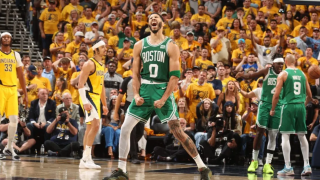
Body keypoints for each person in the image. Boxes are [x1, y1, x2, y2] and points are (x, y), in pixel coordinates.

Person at [103, 13, 212, 180]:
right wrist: (137, 94)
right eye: (151, 18)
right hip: (145, 89)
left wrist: (164, 98)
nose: (153, 19)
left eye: (156, 17)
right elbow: (135, 74)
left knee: (177, 132)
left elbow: (175, 76)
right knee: (125, 128)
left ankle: (202, 167)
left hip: (163, 89)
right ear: (149, 24)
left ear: (162, 22)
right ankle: (121, 170)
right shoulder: (139, 45)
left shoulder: (171, 45)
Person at [235, 58, 285, 174]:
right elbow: (252, 75)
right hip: (264, 105)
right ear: (273, 64)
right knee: (259, 131)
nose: (280, 66)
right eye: (278, 64)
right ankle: (254, 160)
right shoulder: (266, 71)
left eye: (282, 64)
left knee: (273, 135)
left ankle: (268, 163)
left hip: (278, 106)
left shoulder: (284, 74)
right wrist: (243, 75)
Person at [270, 54, 317, 176]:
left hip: (289, 106)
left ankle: (288, 167)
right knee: (302, 136)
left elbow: (276, 95)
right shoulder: (302, 74)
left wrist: (273, 109)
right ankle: (307, 165)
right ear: (295, 61)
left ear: (285, 61)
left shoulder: (283, 74)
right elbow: (310, 95)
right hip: (301, 106)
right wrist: (304, 104)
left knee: (285, 136)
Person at [78, 40, 108, 169]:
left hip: (96, 98)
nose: (105, 49)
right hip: (88, 96)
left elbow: (101, 86)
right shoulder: (89, 64)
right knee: (95, 126)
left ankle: (84, 160)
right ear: (95, 50)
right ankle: (86, 157)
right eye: (102, 47)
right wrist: (84, 102)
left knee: (90, 128)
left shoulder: (102, 65)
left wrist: (105, 104)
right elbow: (80, 85)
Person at [0, 32, 28, 160]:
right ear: (1, 40)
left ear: (11, 40)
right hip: (1, 88)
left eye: (8, 37)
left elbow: (21, 75)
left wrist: (25, 93)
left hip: (12, 90)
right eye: (4, 37)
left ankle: (9, 147)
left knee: (14, 121)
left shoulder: (16, 55)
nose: (6, 39)